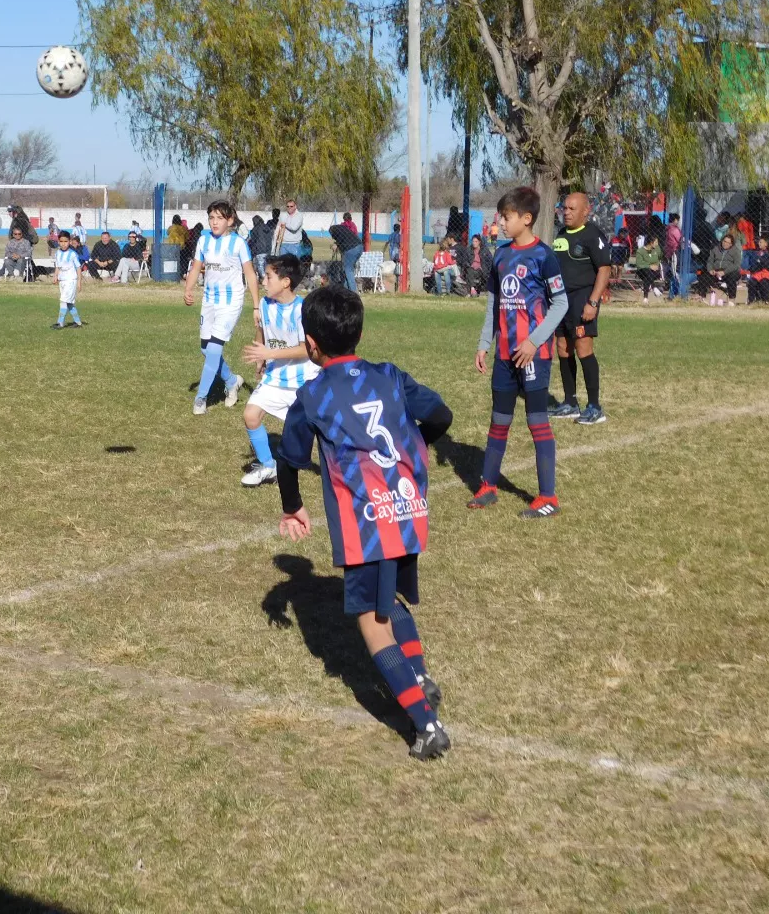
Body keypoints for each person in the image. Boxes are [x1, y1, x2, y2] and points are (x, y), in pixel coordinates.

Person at [274, 285, 454, 760]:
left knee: (372, 622)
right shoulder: (389, 375)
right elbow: (440, 414)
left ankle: (426, 725)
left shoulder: (313, 394)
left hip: (366, 520)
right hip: (406, 507)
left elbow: (289, 457)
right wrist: (422, 446)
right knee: (387, 600)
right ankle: (419, 680)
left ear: (311, 344)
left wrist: (292, 505)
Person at [468, 186, 568, 518]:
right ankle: (489, 487)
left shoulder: (544, 256)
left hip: (533, 356)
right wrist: (485, 343)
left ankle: (548, 498)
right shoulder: (501, 255)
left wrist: (534, 341)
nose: (501, 222)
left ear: (526, 219)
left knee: (537, 421)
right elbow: (493, 304)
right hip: (505, 355)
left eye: (506, 217)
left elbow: (561, 304)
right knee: (499, 421)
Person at [237, 253, 319, 487]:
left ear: (286, 282)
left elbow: (307, 349)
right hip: (275, 376)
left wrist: (269, 354)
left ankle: (341, 466)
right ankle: (268, 465)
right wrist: (260, 357)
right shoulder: (264, 304)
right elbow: (263, 331)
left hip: (303, 381)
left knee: (321, 430)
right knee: (251, 415)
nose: (263, 281)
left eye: (268, 277)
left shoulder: (303, 310)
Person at [184, 200, 260, 415]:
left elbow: (250, 275)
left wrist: (256, 306)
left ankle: (201, 399)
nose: (214, 222)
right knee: (205, 349)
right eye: (211, 217)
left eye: (219, 218)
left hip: (231, 302)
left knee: (215, 349)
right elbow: (197, 266)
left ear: (230, 220)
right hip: (209, 300)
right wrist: (188, 289)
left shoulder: (238, 244)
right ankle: (231, 380)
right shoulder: (203, 240)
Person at [549, 191, 612, 425]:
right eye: (564, 208)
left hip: (583, 298)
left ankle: (595, 407)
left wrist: (593, 302)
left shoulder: (592, 234)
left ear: (586, 211)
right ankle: (570, 403)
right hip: (561, 300)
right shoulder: (562, 234)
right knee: (563, 348)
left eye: (572, 209)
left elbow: (604, 269)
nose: (566, 212)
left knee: (583, 348)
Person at [51, 230, 84, 329]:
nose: (63, 244)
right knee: (69, 303)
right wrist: (55, 276)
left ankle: (60, 323)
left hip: (71, 280)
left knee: (63, 301)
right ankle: (78, 322)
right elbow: (58, 266)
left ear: (69, 242)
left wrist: (79, 282)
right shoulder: (57, 253)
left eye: (66, 241)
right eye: (61, 241)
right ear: (58, 242)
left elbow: (78, 268)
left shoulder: (73, 254)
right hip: (62, 281)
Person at [703, 234, 742, 305]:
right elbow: (710, 261)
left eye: (728, 242)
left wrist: (724, 272)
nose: (725, 243)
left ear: (731, 244)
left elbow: (736, 265)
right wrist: (710, 270)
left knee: (732, 278)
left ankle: (731, 300)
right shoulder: (715, 249)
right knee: (704, 276)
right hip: (716, 271)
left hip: (730, 272)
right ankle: (702, 297)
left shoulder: (736, 251)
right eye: (724, 241)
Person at [329, 218, 363, 292]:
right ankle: (345, 290)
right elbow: (342, 242)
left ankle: (353, 292)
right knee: (346, 270)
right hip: (359, 247)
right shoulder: (343, 230)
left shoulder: (335, 231)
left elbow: (340, 243)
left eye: (331, 234)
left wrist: (336, 245)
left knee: (348, 270)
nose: (332, 237)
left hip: (351, 249)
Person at [247, 214, 272, 280]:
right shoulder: (268, 228)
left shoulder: (255, 229)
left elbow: (253, 240)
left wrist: (250, 246)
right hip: (268, 250)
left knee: (260, 266)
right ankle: (266, 278)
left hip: (259, 250)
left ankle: (265, 279)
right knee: (265, 266)